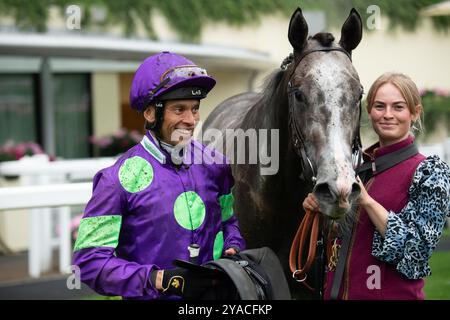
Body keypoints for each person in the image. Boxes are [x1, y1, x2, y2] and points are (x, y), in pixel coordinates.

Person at [73, 52, 245, 300]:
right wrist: (161, 280)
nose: (190, 120)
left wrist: (233, 245)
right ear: (150, 113)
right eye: (179, 109)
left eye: (195, 109)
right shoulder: (116, 180)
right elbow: (88, 262)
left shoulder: (216, 165)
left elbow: (228, 222)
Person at [303, 72, 450, 299]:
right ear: (369, 111)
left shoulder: (430, 172)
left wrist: (367, 202)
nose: (388, 115)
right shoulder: (354, 167)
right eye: (380, 106)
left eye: (398, 107)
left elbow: (417, 251)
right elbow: (342, 239)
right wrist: (322, 211)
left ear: (414, 112)